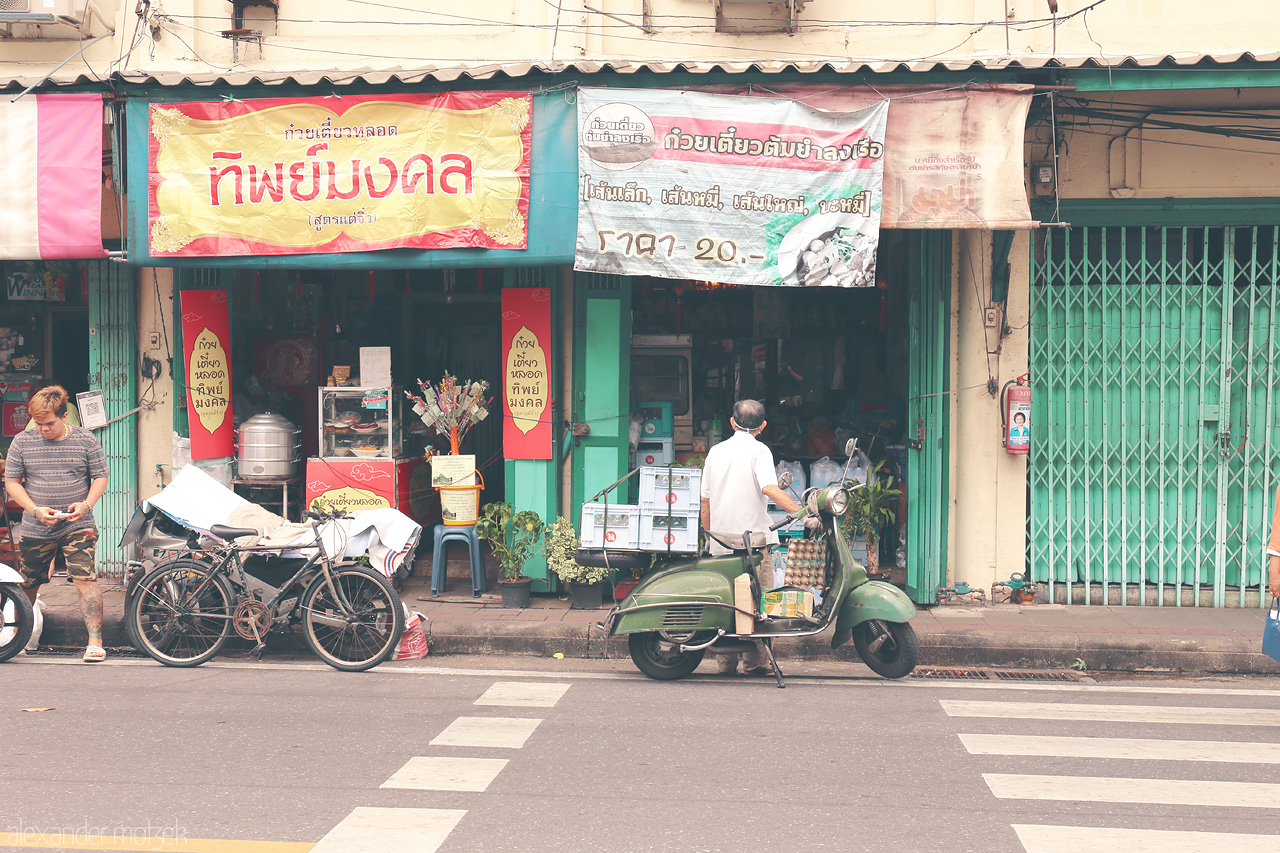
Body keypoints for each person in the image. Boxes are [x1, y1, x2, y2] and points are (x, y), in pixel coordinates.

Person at [5, 385, 109, 662]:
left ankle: (95, 642)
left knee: (85, 579)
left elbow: (101, 476)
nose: (43, 429)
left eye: (49, 423)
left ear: (64, 416)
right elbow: (12, 482)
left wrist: (86, 504)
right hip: (36, 525)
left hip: (78, 523)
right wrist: (35, 509)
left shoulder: (86, 440)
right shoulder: (22, 442)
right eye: (38, 424)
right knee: (27, 584)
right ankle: (18, 638)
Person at [700, 399, 802, 676]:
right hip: (753, 545)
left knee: (727, 602)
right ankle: (756, 664)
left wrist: (710, 538)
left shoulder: (715, 452)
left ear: (732, 423)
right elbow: (769, 487)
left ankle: (725, 664)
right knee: (759, 604)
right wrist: (804, 513)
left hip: (721, 545)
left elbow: (705, 502)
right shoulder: (760, 451)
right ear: (763, 426)